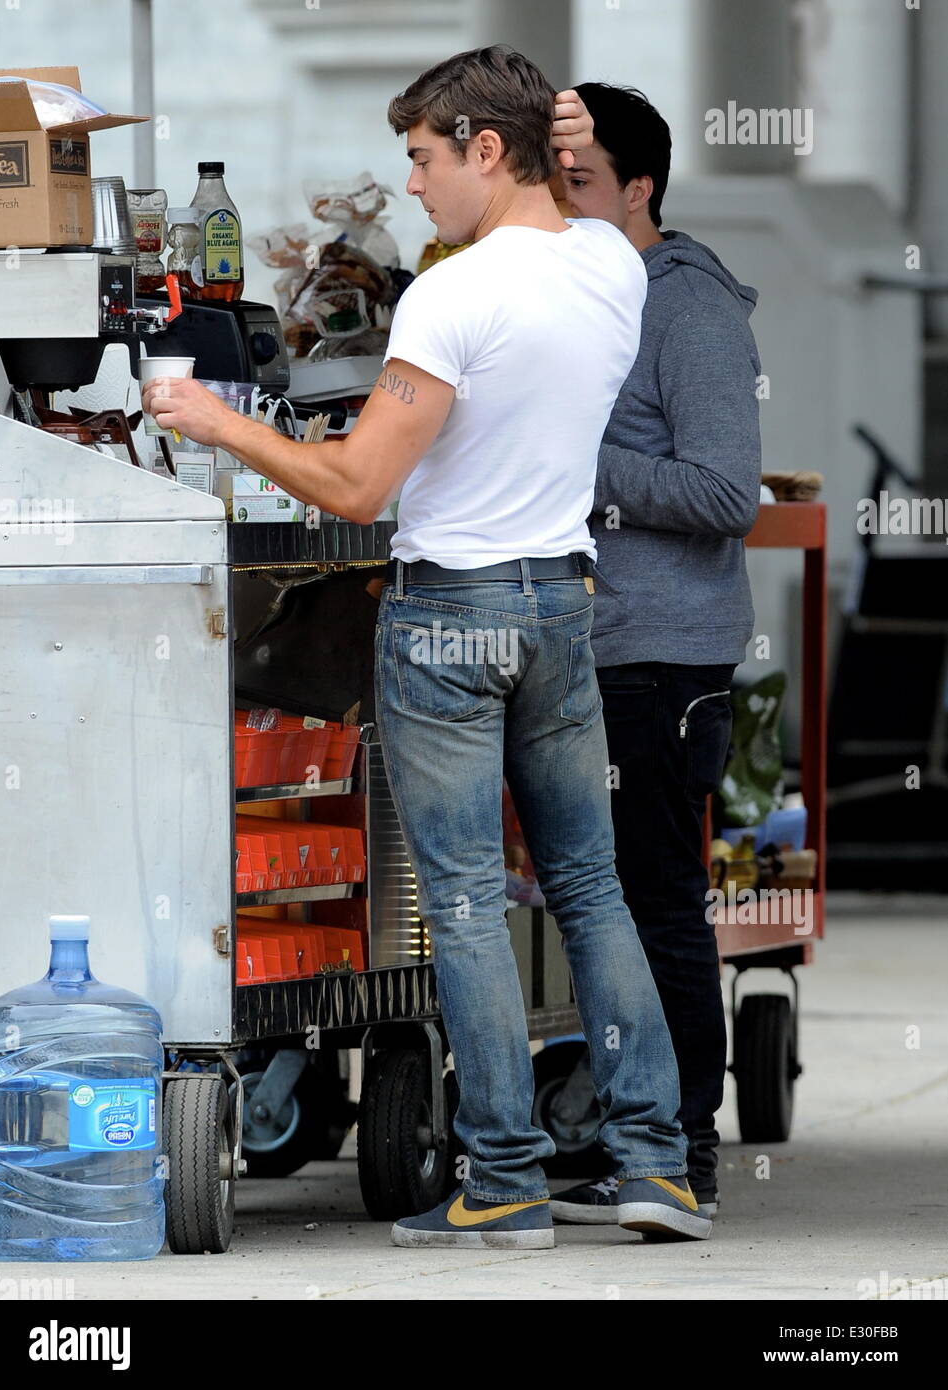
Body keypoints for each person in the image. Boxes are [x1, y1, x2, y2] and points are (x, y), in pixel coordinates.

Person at [143, 46, 711, 1249]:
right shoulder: (612, 264)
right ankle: (658, 1165)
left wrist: (207, 418)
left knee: (459, 905)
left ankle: (504, 1177)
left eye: (423, 156)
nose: (411, 187)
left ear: (486, 150)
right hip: (563, 605)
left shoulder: (455, 292)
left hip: (451, 616)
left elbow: (355, 487)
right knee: (594, 891)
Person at [546, 83, 762, 1226]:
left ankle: (683, 1156)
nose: (564, 204)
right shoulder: (585, 298)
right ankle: (639, 1143)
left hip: (663, 661)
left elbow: (728, 492)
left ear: (639, 188)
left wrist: (581, 461)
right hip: (590, 645)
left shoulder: (690, 309)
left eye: (582, 184)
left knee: (658, 902)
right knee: (609, 901)